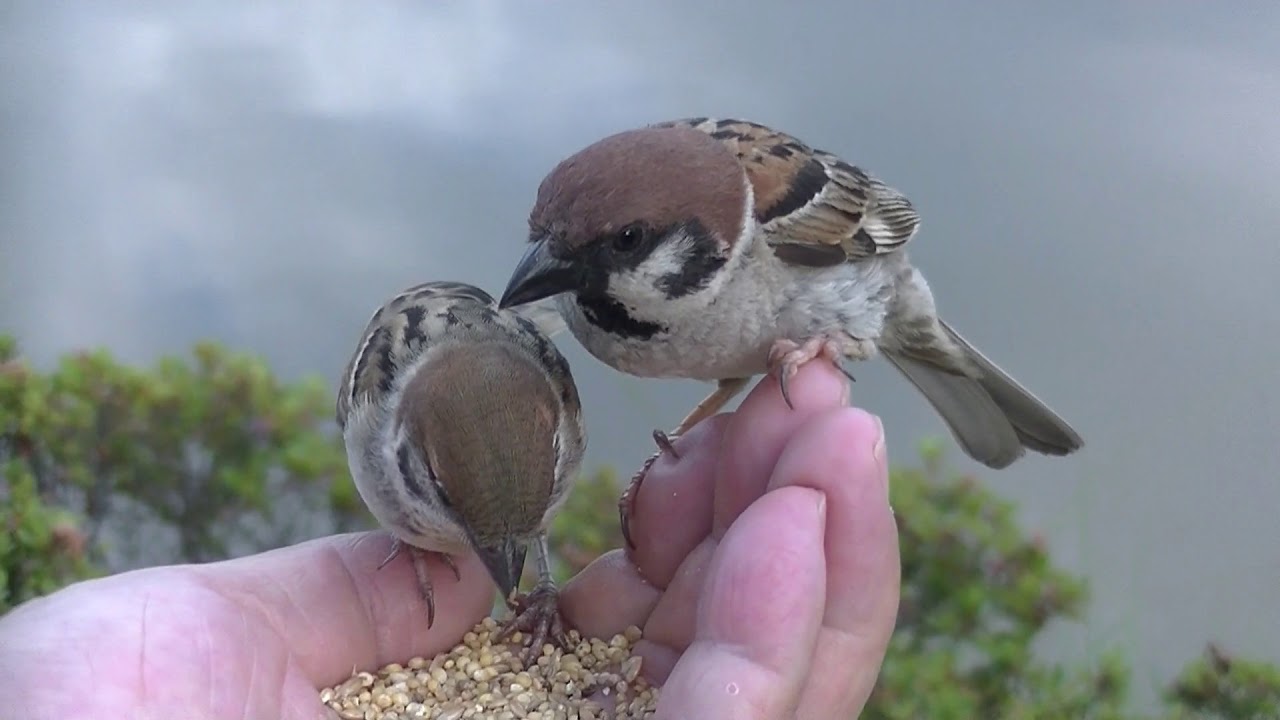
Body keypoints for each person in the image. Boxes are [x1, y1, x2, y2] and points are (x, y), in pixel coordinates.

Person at [0, 362, 900, 719]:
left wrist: (537, 579)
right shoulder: (378, 405)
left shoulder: (546, 403)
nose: (498, 562)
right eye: (480, 528)